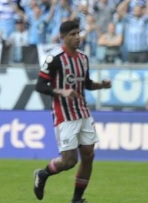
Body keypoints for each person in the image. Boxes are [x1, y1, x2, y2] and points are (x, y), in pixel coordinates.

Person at [32, 20, 112, 203]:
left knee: (89, 154)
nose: (78, 37)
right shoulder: (55, 58)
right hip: (64, 114)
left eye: (79, 33)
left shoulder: (83, 58)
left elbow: (86, 84)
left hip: (82, 111)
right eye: (73, 34)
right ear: (62, 37)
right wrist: (62, 91)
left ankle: (76, 199)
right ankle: (43, 174)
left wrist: (101, 86)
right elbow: (40, 85)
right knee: (69, 161)